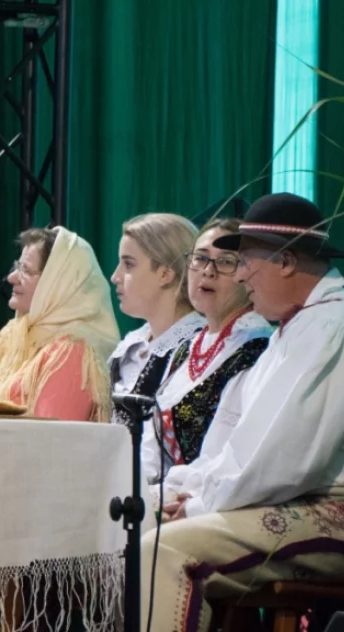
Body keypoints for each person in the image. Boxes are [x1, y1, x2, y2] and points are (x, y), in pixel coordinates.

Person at [141, 193, 344, 632]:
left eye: (247, 261)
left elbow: (283, 462)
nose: (243, 276)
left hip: (329, 510)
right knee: (136, 531)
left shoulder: (331, 325)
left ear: (287, 262)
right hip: (280, 497)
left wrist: (197, 505)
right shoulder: (294, 328)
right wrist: (182, 490)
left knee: (163, 551)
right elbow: (232, 448)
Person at [142, 218, 271, 483]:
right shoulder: (187, 348)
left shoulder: (256, 346)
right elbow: (150, 451)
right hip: (168, 492)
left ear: (246, 273)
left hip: (214, 496)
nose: (207, 271)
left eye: (225, 262)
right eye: (200, 258)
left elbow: (233, 455)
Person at [0, 227, 119, 421]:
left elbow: (49, 440)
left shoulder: (73, 352)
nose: (11, 277)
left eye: (26, 270)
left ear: (58, 284)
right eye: (17, 266)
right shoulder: (14, 335)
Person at [109, 213, 205, 425]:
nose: (115, 276)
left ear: (165, 274)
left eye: (129, 264)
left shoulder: (198, 348)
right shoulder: (131, 346)